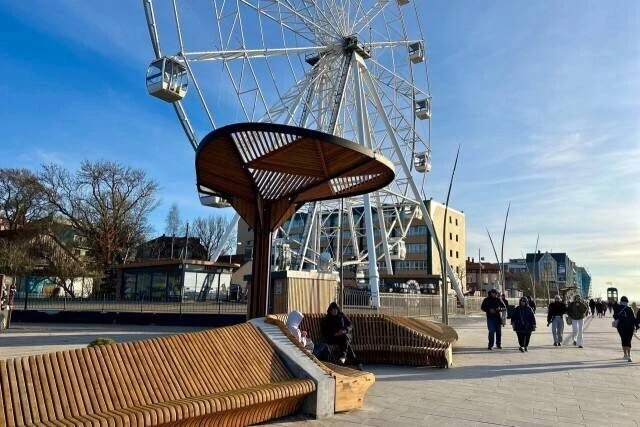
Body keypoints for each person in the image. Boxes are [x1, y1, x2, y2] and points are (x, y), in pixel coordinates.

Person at [613, 296, 637, 362]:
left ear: (621, 301)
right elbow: (633, 318)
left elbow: (615, 316)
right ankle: (629, 355)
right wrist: (636, 326)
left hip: (621, 327)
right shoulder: (629, 308)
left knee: (623, 339)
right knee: (628, 340)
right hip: (630, 327)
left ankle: (625, 354)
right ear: (627, 301)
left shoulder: (618, 307)